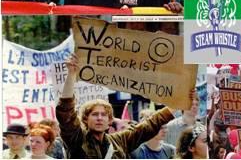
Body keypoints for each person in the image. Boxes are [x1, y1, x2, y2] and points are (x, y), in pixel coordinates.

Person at [56, 53, 184, 158]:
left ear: (110, 120)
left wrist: (178, 102)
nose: (100, 118)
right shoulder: (77, 139)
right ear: (85, 119)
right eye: (94, 114)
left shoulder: (119, 141)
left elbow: (149, 125)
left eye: (104, 115)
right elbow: (65, 113)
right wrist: (72, 74)